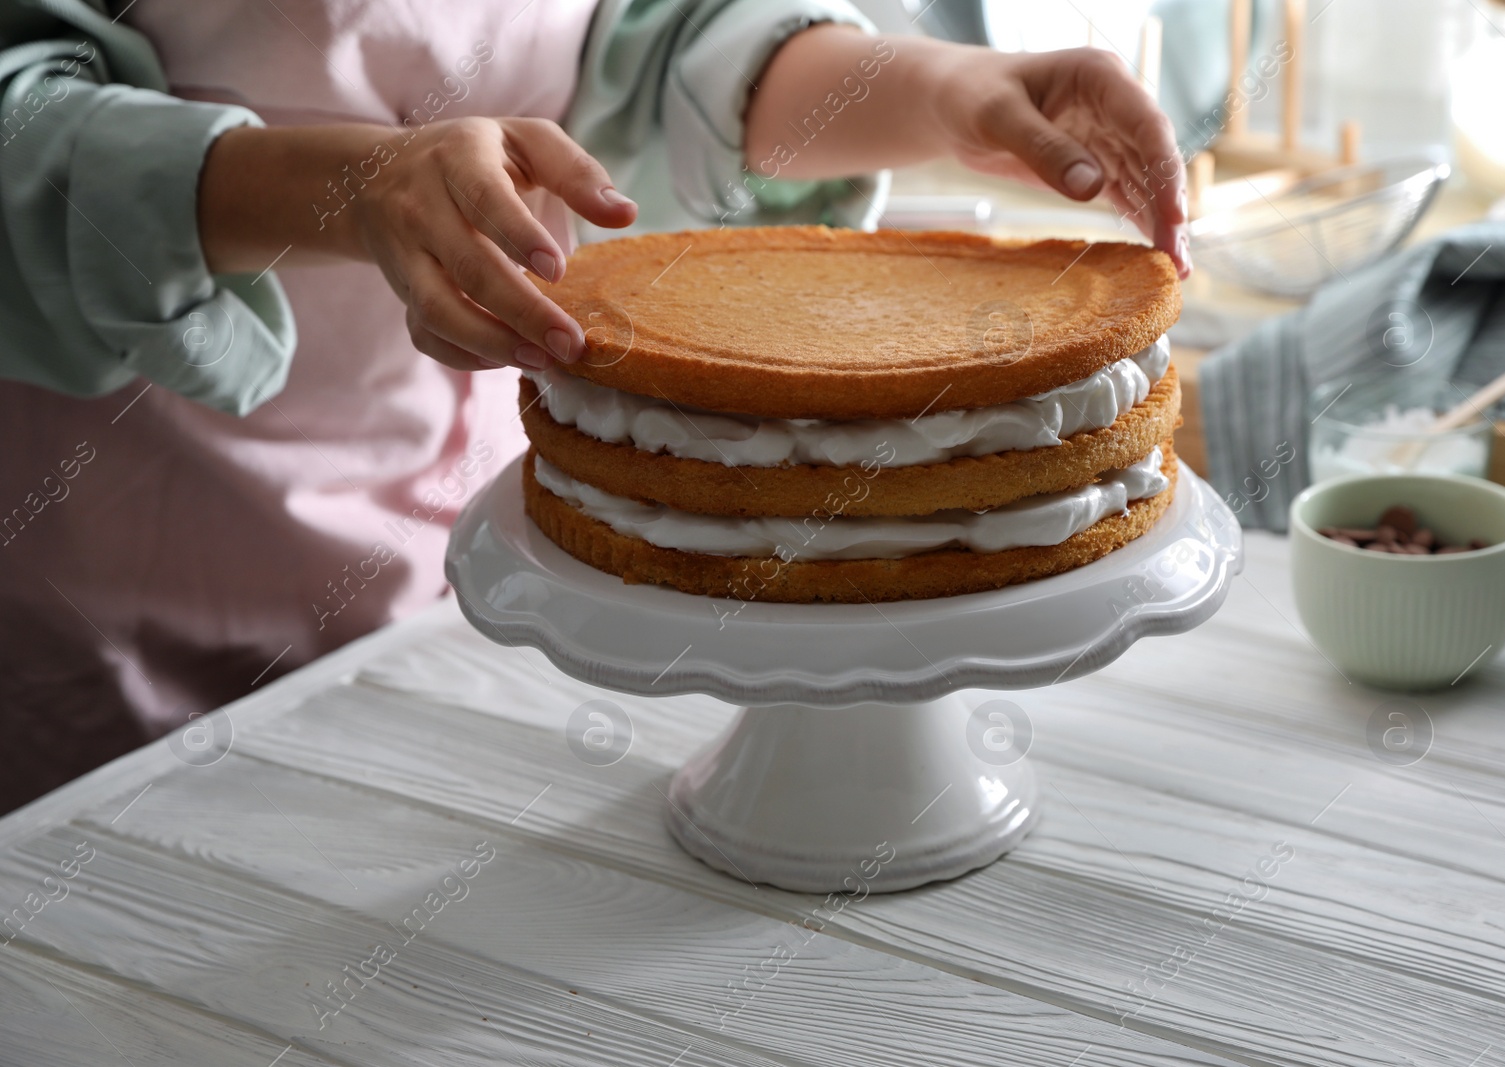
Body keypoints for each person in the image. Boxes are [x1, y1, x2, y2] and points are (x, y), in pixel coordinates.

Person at [0, 0, 1189, 812]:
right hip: (116, 605)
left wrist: (949, 89)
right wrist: (356, 186)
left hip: (454, 571)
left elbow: (658, 41)